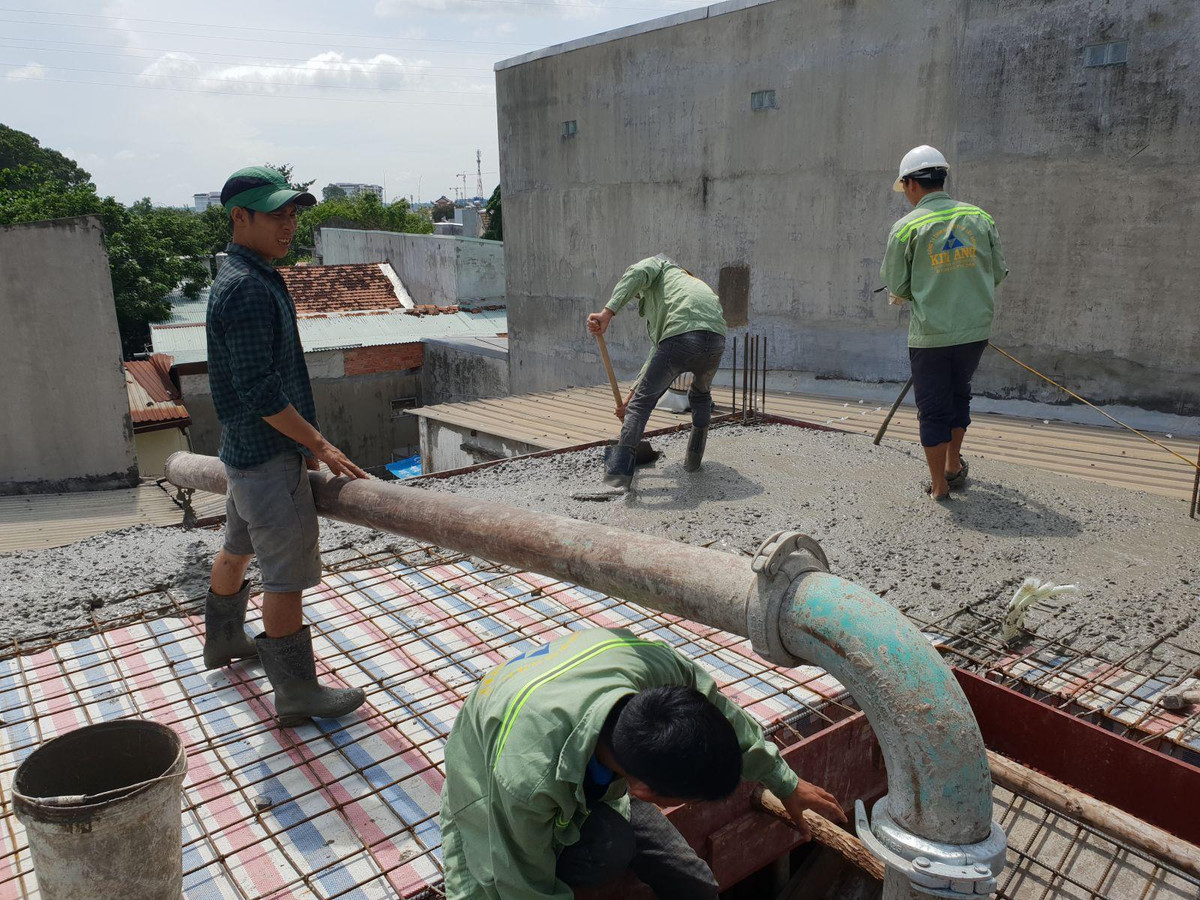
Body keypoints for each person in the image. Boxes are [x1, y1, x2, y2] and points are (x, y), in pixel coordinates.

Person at [439, 627, 846, 899]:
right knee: (606, 848)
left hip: (568, 727)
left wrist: (785, 782)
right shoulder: (526, 782)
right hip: (492, 764)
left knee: (696, 885)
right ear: (645, 792)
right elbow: (522, 886)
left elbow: (723, 715)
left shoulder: (657, 667)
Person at [202, 165, 370, 725]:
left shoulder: (246, 275)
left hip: (243, 454)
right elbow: (259, 388)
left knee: (238, 547)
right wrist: (320, 445)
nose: (288, 225)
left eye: (293, 214)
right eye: (276, 215)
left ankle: (223, 640)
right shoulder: (247, 287)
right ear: (239, 218)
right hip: (269, 458)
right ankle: (297, 692)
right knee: (287, 576)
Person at [880, 146, 1008, 500]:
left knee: (933, 408)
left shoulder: (907, 228)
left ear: (910, 185)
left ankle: (939, 487)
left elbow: (898, 285)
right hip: (974, 332)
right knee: (958, 395)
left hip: (930, 336)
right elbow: (996, 272)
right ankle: (953, 466)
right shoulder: (980, 218)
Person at [587, 255, 728, 490]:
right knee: (701, 396)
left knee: (641, 406)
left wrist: (607, 313)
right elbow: (657, 354)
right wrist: (629, 398)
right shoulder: (687, 288)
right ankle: (693, 462)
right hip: (716, 340)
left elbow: (635, 272)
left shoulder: (658, 264)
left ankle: (617, 480)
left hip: (682, 336)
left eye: (638, 295)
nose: (638, 297)